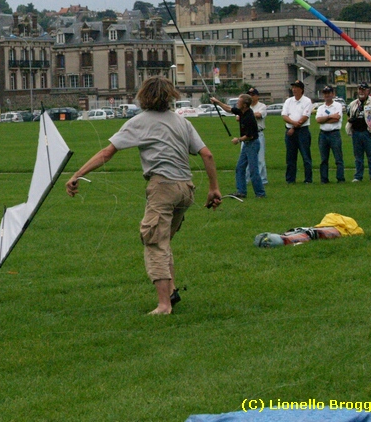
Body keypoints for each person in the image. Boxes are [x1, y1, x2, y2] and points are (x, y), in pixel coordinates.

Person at [65, 76, 222, 315]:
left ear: (144, 96)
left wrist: (77, 173)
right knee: (163, 241)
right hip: (186, 189)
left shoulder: (139, 121)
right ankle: (171, 292)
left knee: (154, 242)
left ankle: (163, 305)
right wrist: (214, 188)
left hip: (163, 187)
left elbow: (107, 153)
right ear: (170, 96)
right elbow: (207, 155)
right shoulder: (182, 122)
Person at [211, 94, 265, 199]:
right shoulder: (241, 111)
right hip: (247, 145)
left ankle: (260, 194)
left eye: (239, 101)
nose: (237, 103)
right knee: (240, 168)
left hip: (252, 144)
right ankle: (241, 192)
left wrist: (238, 140)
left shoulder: (249, 117)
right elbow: (228, 109)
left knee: (253, 170)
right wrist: (217, 102)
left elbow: (250, 136)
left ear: (244, 105)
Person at [346, 82, 371, 182]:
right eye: (360, 89)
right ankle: (358, 176)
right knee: (358, 157)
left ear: (368, 91)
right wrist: (351, 121)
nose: (361, 91)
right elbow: (348, 115)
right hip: (356, 132)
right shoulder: (353, 103)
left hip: (368, 132)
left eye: (363, 90)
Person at [281, 80, 314, 184]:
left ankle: (308, 179)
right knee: (290, 157)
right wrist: (292, 123)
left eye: (296, 88)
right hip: (290, 130)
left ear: (301, 89)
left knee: (306, 156)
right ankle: (290, 179)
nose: (294, 89)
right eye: (293, 87)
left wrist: (294, 127)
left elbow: (304, 117)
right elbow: (284, 116)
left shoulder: (307, 101)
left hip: (302, 131)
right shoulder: (288, 101)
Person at [315, 86, 345, 184]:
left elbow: (336, 119)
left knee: (338, 158)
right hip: (323, 134)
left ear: (333, 94)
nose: (327, 95)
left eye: (328, 93)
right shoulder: (321, 107)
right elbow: (318, 120)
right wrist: (330, 116)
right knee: (323, 159)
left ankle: (340, 178)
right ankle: (324, 179)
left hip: (334, 134)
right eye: (325, 93)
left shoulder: (338, 105)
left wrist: (325, 119)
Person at [246, 88, 268, 185]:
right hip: (246, 135)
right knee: (246, 158)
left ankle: (262, 179)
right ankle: (247, 179)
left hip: (258, 133)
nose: (251, 96)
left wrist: (246, 115)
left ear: (257, 96)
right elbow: (238, 117)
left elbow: (259, 115)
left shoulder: (261, 106)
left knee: (260, 158)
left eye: (253, 94)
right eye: (249, 94)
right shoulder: (245, 106)